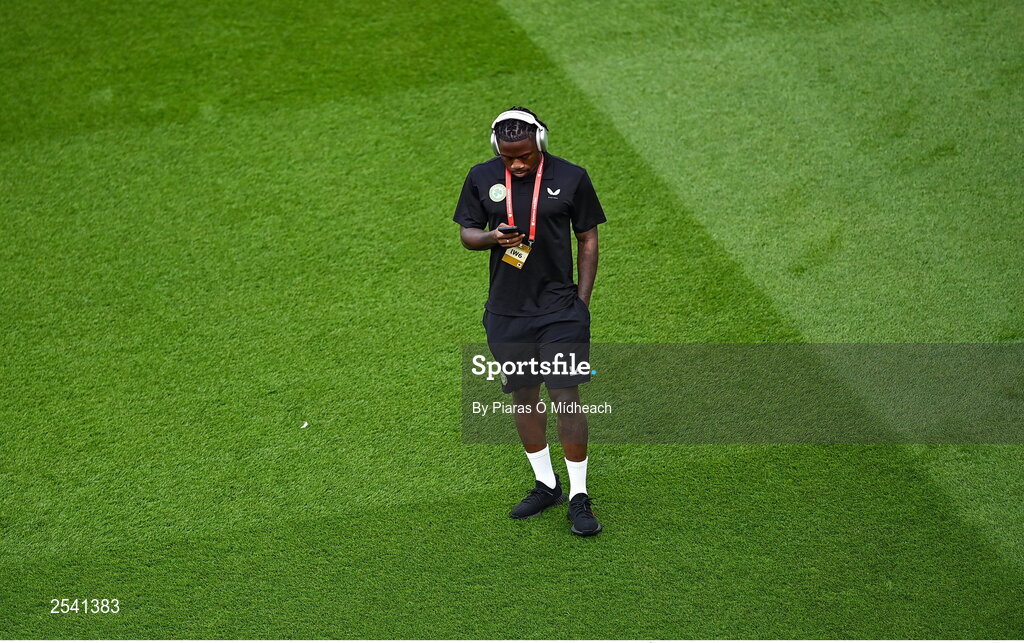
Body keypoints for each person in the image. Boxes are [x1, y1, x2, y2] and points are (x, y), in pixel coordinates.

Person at [453, 107, 606, 536]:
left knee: (566, 398)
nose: (517, 164)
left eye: (524, 156)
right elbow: (467, 232)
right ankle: (546, 483)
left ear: (540, 142)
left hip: (560, 311)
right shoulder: (482, 177)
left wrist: (582, 300)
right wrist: (491, 237)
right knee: (524, 396)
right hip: (506, 312)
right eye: (508, 157)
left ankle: (579, 494)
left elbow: (588, 236)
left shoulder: (573, 177)